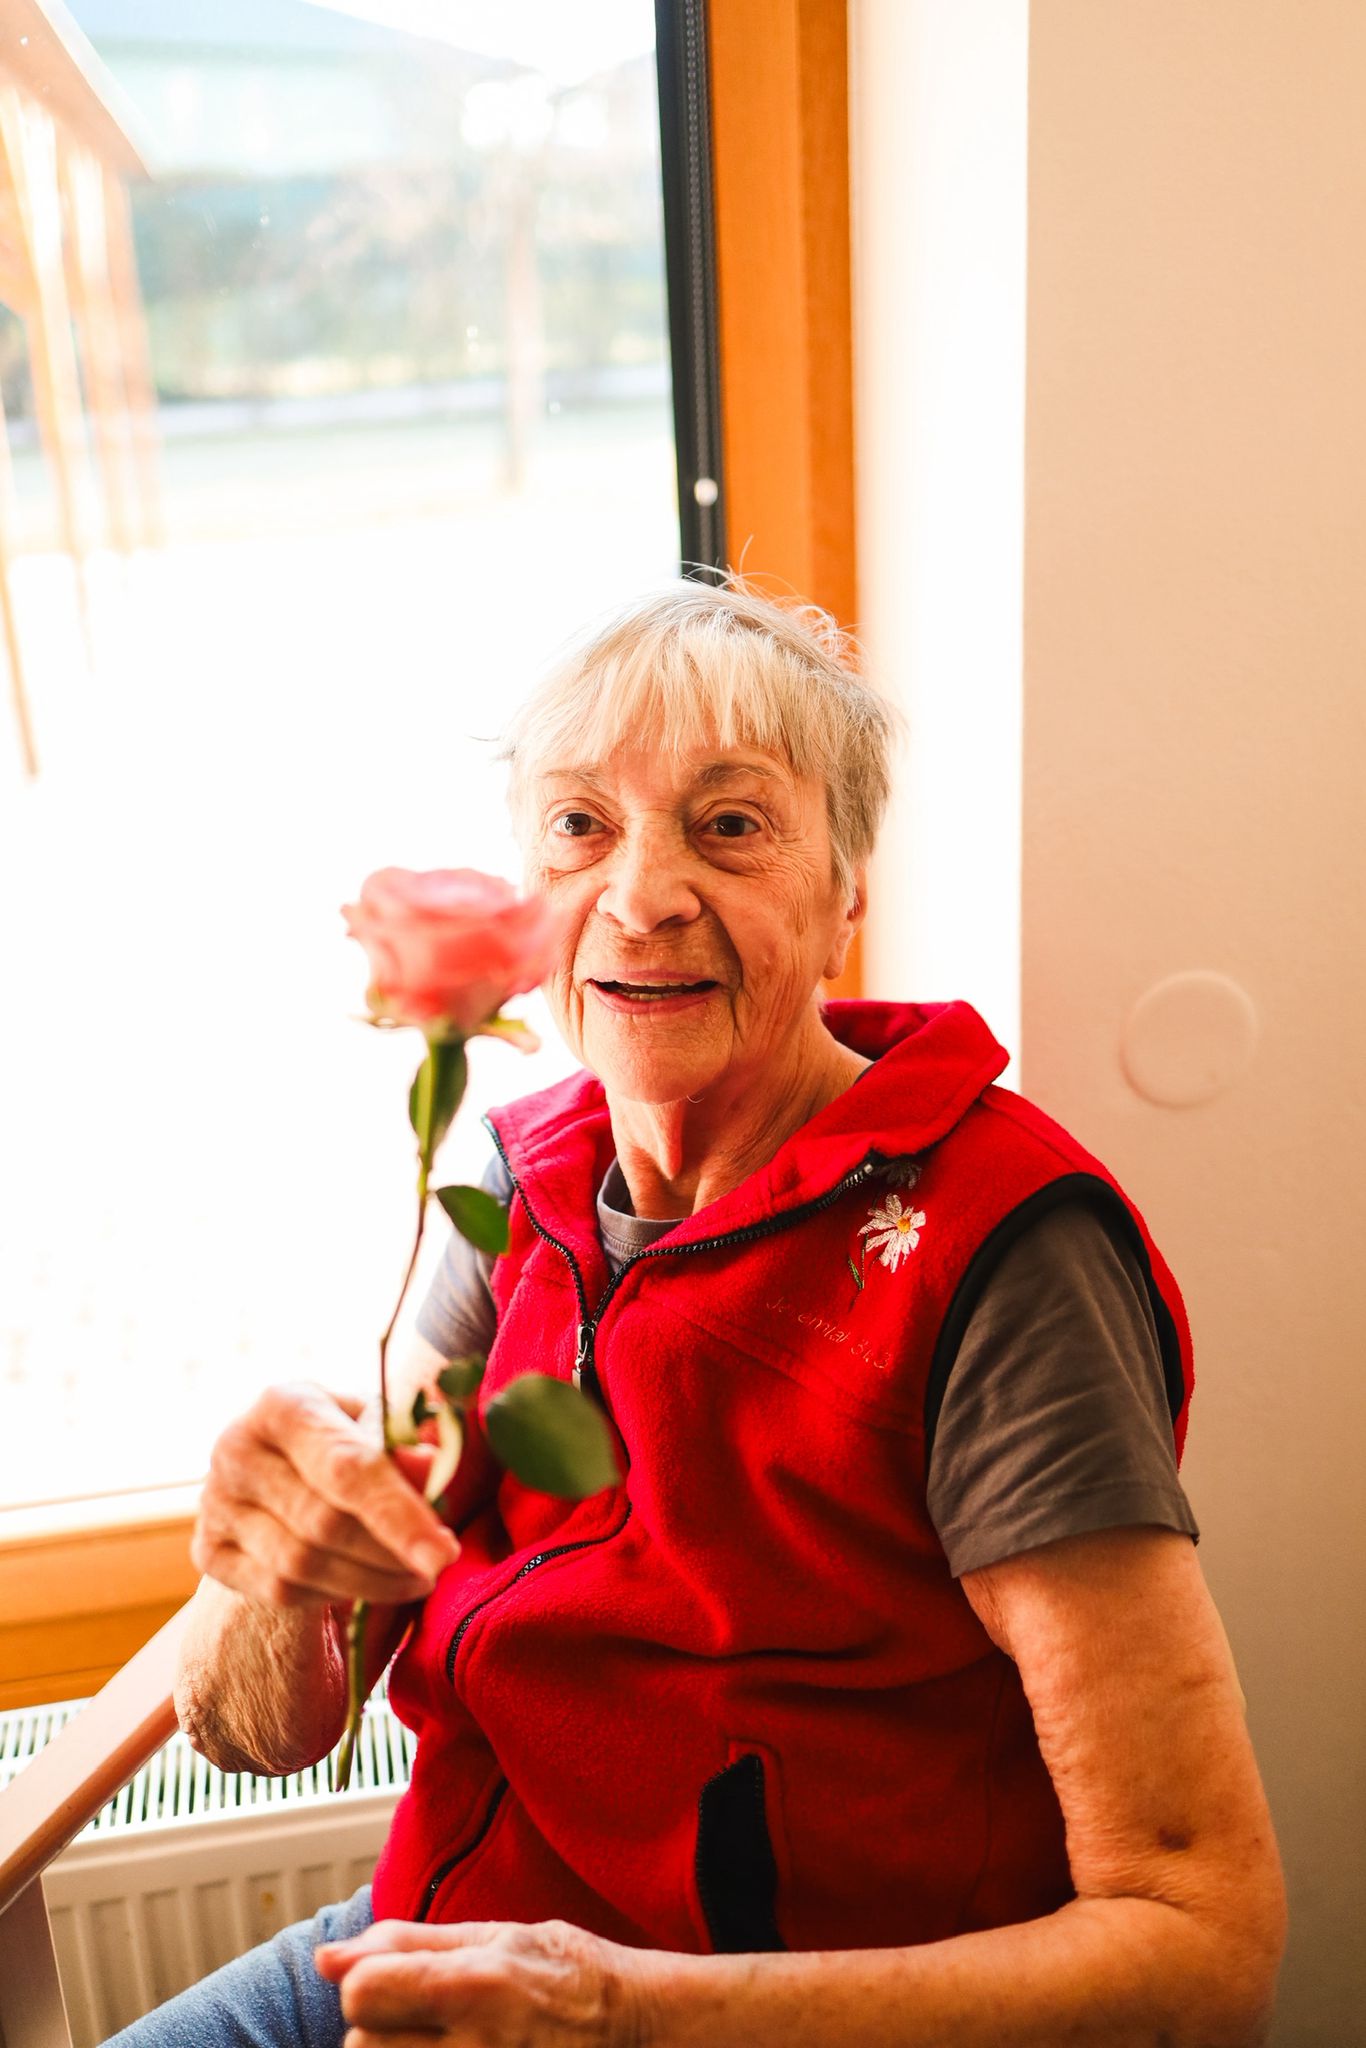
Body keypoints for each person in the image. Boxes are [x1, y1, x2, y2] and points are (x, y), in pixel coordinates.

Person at [113, 583, 1285, 2048]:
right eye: (580, 826)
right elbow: (260, 1730)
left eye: (729, 826)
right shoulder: (514, 1186)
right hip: (441, 1946)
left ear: (846, 895)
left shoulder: (998, 1251)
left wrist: (625, 2011)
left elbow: (1200, 1947)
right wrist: (261, 1567)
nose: (641, 895)